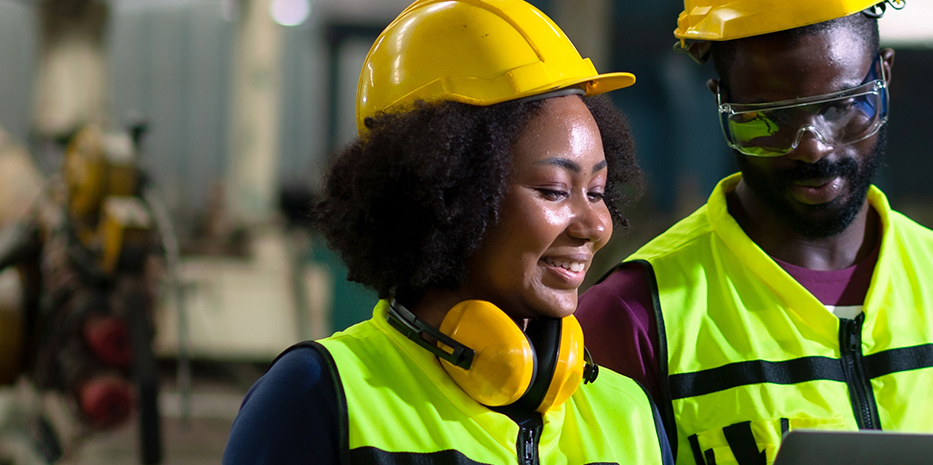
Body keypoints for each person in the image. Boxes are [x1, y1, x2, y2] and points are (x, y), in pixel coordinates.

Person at [578, 1, 933, 463]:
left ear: (886, 74)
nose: (813, 148)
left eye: (840, 106)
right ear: (722, 99)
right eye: (769, 117)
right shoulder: (633, 320)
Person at [222, 0, 670, 463]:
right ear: (445, 192)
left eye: (596, 191)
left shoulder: (630, 415)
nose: (596, 226)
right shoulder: (318, 397)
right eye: (555, 190)